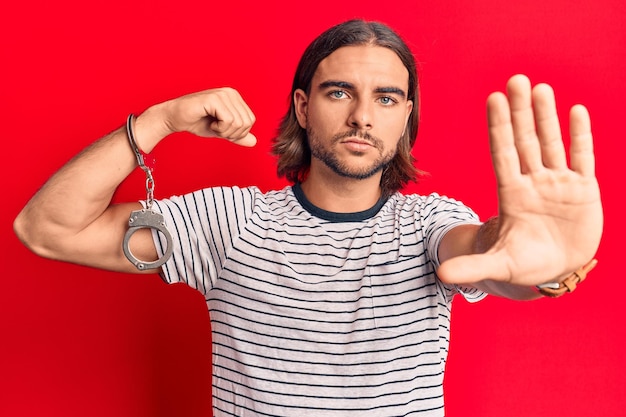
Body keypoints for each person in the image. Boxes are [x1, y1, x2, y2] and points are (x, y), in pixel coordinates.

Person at [13, 19, 602, 416]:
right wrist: (158, 121)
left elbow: (487, 257)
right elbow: (46, 229)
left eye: (387, 98)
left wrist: (546, 268)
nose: (363, 117)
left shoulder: (430, 226)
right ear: (302, 105)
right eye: (339, 92)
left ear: (405, 120)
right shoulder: (227, 222)